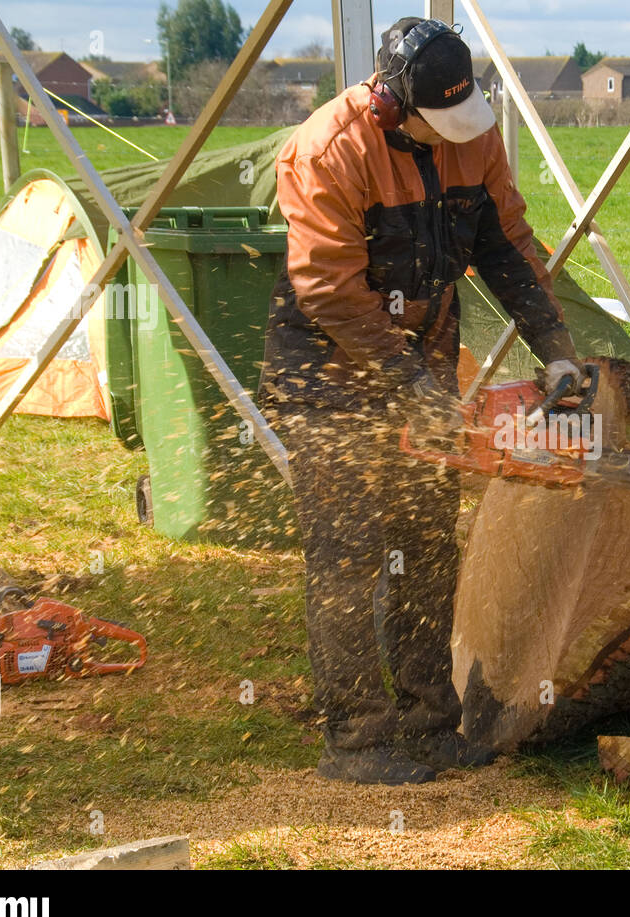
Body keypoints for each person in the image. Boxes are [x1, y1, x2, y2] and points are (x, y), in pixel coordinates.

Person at [259, 16, 583, 785]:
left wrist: (559, 352)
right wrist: (408, 387)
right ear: (391, 103)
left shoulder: (472, 136)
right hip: (328, 372)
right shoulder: (327, 151)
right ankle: (356, 737)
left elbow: (505, 246)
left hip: (422, 359)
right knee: (348, 555)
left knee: (426, 549)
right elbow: (329, 291)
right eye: (434, 124)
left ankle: (430, 719)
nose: (450, 138)